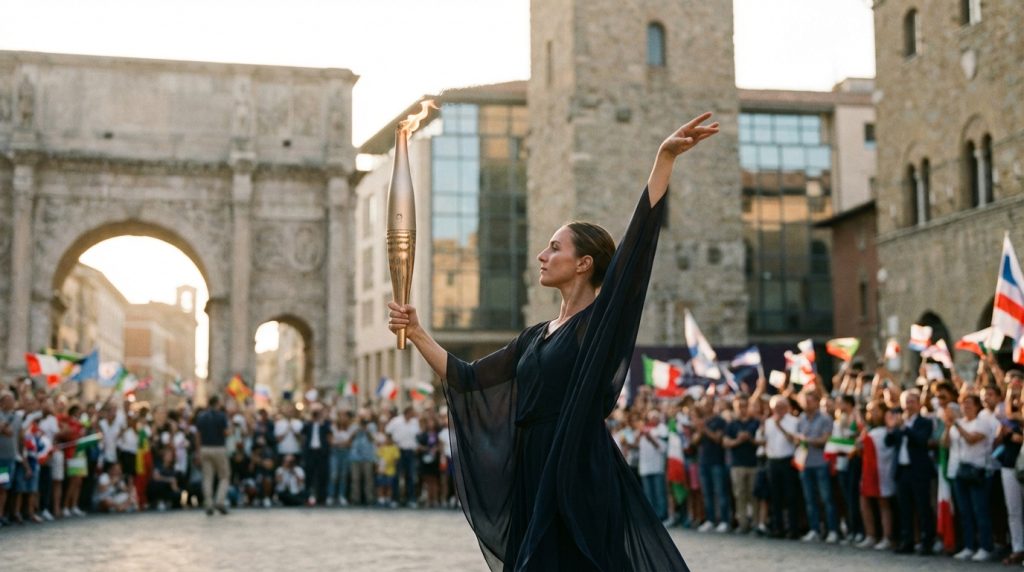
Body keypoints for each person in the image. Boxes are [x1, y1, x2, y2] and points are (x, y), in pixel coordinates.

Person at [386, 113, 718, 571]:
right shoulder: (534, 337)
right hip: (534, 470)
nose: (542, 256)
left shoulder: (599, 325)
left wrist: (664, 159)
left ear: (584, 263)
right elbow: (467, 378)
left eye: (555, 248)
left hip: (576, 467)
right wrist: (419, 331)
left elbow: (637, 249)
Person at [943, 394, 996, 562]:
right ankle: (969, 546)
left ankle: (986, 547)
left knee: (980, 510)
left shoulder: (982, 423)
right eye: (963, 403)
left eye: (969, 403)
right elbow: (945, 444)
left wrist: (956, 424)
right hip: (960, 471)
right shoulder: (958, 424)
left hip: (978, 472)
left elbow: (971, 439)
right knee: (964, 512)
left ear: (977, 406)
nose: (965, 407)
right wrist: (948, 427)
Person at [885, 389, 936, 555]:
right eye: (906, 402)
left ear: (919, 404)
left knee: (923, 507)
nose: (908, 405)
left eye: (912, 401)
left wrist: (904, 428)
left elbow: (921, 440)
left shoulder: (924, 422)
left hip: (918, 470)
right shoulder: (899, 421)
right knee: (904, 508)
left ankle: (926, 542)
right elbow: (889, 442)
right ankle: (907, 541)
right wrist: (891, 429)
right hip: (902, 470)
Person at [795, 390, 839, 543]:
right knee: (810, 499)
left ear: (816, 402)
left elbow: (824, 440)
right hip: (805, 464)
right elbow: (798, 438)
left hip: (821, 463)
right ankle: (815, 530)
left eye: (810, 401)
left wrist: (807, 440)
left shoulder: (825, 419)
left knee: (827, 499)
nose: (807, 404)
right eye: (805, 401)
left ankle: (832, 530)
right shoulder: (801, 419)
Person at [723, 394, 760, 533]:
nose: (742, 409)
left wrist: (749, 438)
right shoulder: (731, 424)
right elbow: (725, 442)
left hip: (753, 464)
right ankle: (743, 524)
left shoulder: (755, 423)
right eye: (739, 406)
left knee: (754, 496)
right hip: (737, 465)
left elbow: (762, 441)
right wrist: (738, 440)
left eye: (744, 406)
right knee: (739, 495)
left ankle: (756, 523)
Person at [194, 395, 230, 516]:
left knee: (207, 477)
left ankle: (208, 503)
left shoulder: (201, 416)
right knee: (224, 476)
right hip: (219, 448)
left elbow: (198, 435)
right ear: (217, 403)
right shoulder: (221, 416)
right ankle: (219, 500)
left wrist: (198, 451)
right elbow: (226, 432)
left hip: (205, 448)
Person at [385, 406, 420, 508]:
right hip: (398, 451)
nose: (413, 414)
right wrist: (392, 443)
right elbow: (387, 431)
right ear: (407, 412)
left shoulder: (415, 422)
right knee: (396, 476)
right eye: (412, 412)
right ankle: (394, 499)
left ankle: (411, 499)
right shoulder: (396, 421)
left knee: (410, 476)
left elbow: (417, 435)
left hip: (410, 451)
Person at [302, 404, 331, 506]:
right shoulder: (308, 423)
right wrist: (311, 419)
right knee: (309, 475)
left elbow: (329, 432)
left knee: (322, 475)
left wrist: (321, 421)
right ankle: (307, 497)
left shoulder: (325, 423)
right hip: (310, 452)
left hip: (321, 452)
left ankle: (321, 498)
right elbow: (303, 432)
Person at [328, 410, 353, 506]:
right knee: (333, 474)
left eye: (345, 416)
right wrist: (342, 443)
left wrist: (338, 443)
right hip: (335, 453)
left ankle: (341, 495)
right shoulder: (333, 428)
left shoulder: (350, 429)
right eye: (341, 416)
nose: (343, 418)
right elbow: (331, 442)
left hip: (345, 453)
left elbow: (349, 443)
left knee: (343, 475)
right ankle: (331, 495)